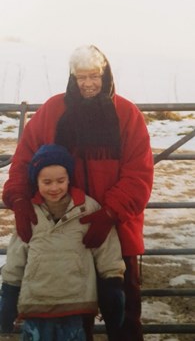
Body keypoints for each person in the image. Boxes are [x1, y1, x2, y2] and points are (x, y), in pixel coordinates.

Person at [3, 45, 154, 341]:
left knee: (124, 315)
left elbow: (139, 175)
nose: (88, 84)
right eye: (81, 77)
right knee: (74, 316)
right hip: (64, 234)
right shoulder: (52, 111)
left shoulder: (127, 114)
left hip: (117, 230)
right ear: (72, 78)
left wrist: (109, 212)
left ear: (106, 75)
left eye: (94, 76)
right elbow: (24, 161)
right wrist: (19, 200)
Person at [0, 144, 126, 341]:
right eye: (47, 182)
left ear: (69, 179)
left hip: (75, 303)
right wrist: (9, 293)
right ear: (36, 181)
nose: (54, 187)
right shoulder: (29, 213)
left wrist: (112, 282)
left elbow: (106, 248)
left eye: (60, 180)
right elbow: (16, 257)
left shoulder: (87, 208)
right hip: (37, 303)